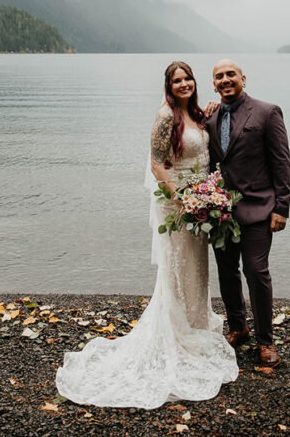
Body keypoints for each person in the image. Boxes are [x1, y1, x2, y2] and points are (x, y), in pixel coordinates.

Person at [55, 61, 238, 409]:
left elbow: (203, 146)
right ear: (168, 86)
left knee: (196, 269)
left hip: (199, 202)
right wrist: (181, 199)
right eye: (177, 80)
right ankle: (175, 334)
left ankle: (195, 324)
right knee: (176, 270)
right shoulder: (165, 116)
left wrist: (202, 197)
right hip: (178, 204)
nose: (184, 84)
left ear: (194, 83)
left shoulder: (197, 114)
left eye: (188, 78)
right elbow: (156, 164)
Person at [204, 59, 290, 367]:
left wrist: (282, 207)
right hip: (220, 212)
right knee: (227, 273)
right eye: (219, 76)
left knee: (256, 272)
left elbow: (281, 162)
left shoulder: (267, 112)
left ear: (243, 78)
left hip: (259, 208)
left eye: (230, 74)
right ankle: (238, 326)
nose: (225, 79)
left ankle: (265, 341)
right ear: (213, 84)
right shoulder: (210, 118)